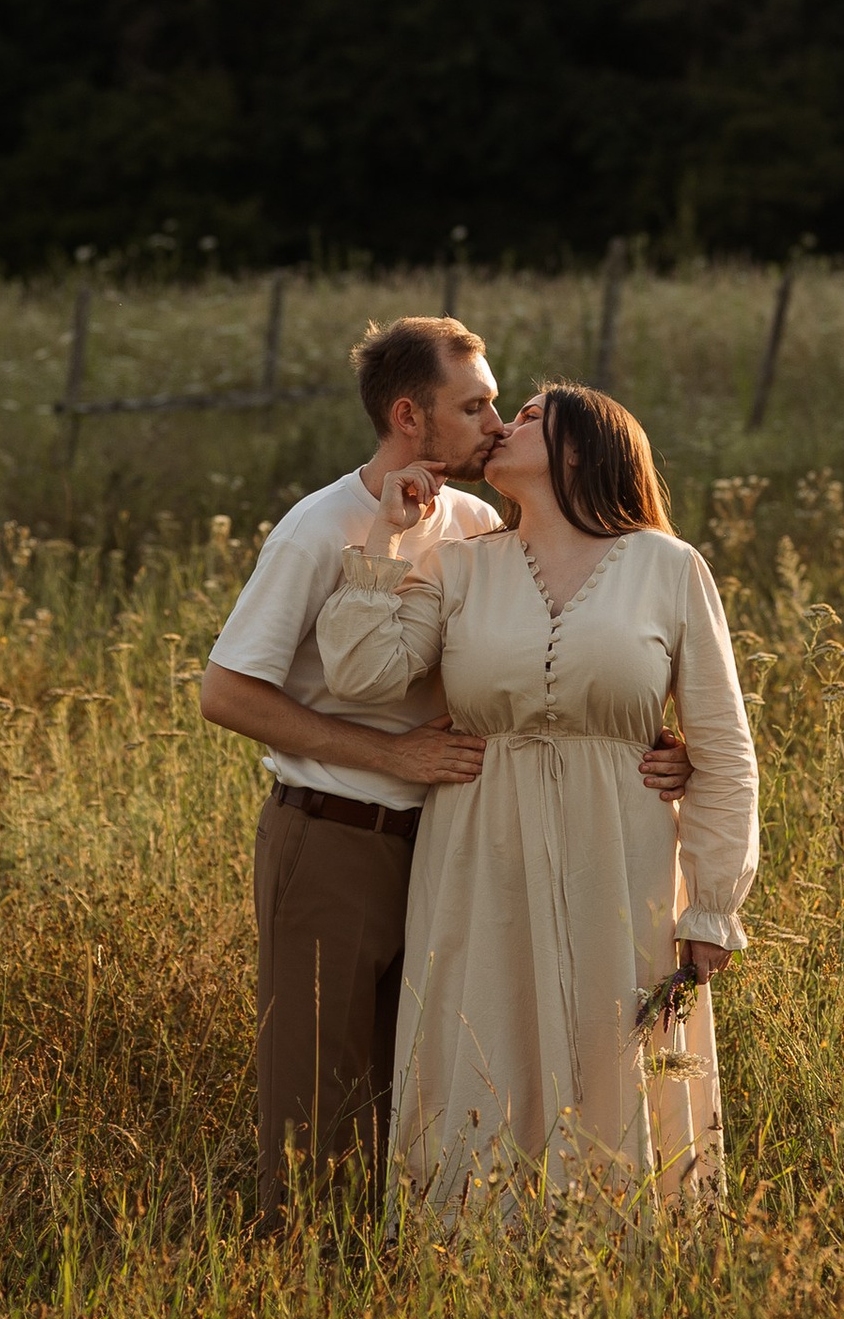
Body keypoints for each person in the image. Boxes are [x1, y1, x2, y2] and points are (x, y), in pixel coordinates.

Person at [198, 318, 689, 1227]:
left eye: (499, 403)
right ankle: (297, 1298)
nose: (496, 421)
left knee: (421, 1089)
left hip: (448, 847)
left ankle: (405, 1283)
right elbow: (224, 693)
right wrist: (391, 755)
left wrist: (648, 744)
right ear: (407, 417)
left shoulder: (473, 522)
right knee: (316, 1099)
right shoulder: (319, 527)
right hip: (334, 837)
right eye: (474, 406)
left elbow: (545, 647)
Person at [317, 380, 759, 1221]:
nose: (502, 428)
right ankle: (469, 1267)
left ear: (581, 450)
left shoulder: (669, 567)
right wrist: (388, 533)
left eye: (526, 418)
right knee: (479, 1045)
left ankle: (623, 1269)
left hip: (622, 853)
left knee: (614, 1059)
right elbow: (361, 672)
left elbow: (727, 747)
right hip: (479, 850)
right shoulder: (459, 564)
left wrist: (710, 910)